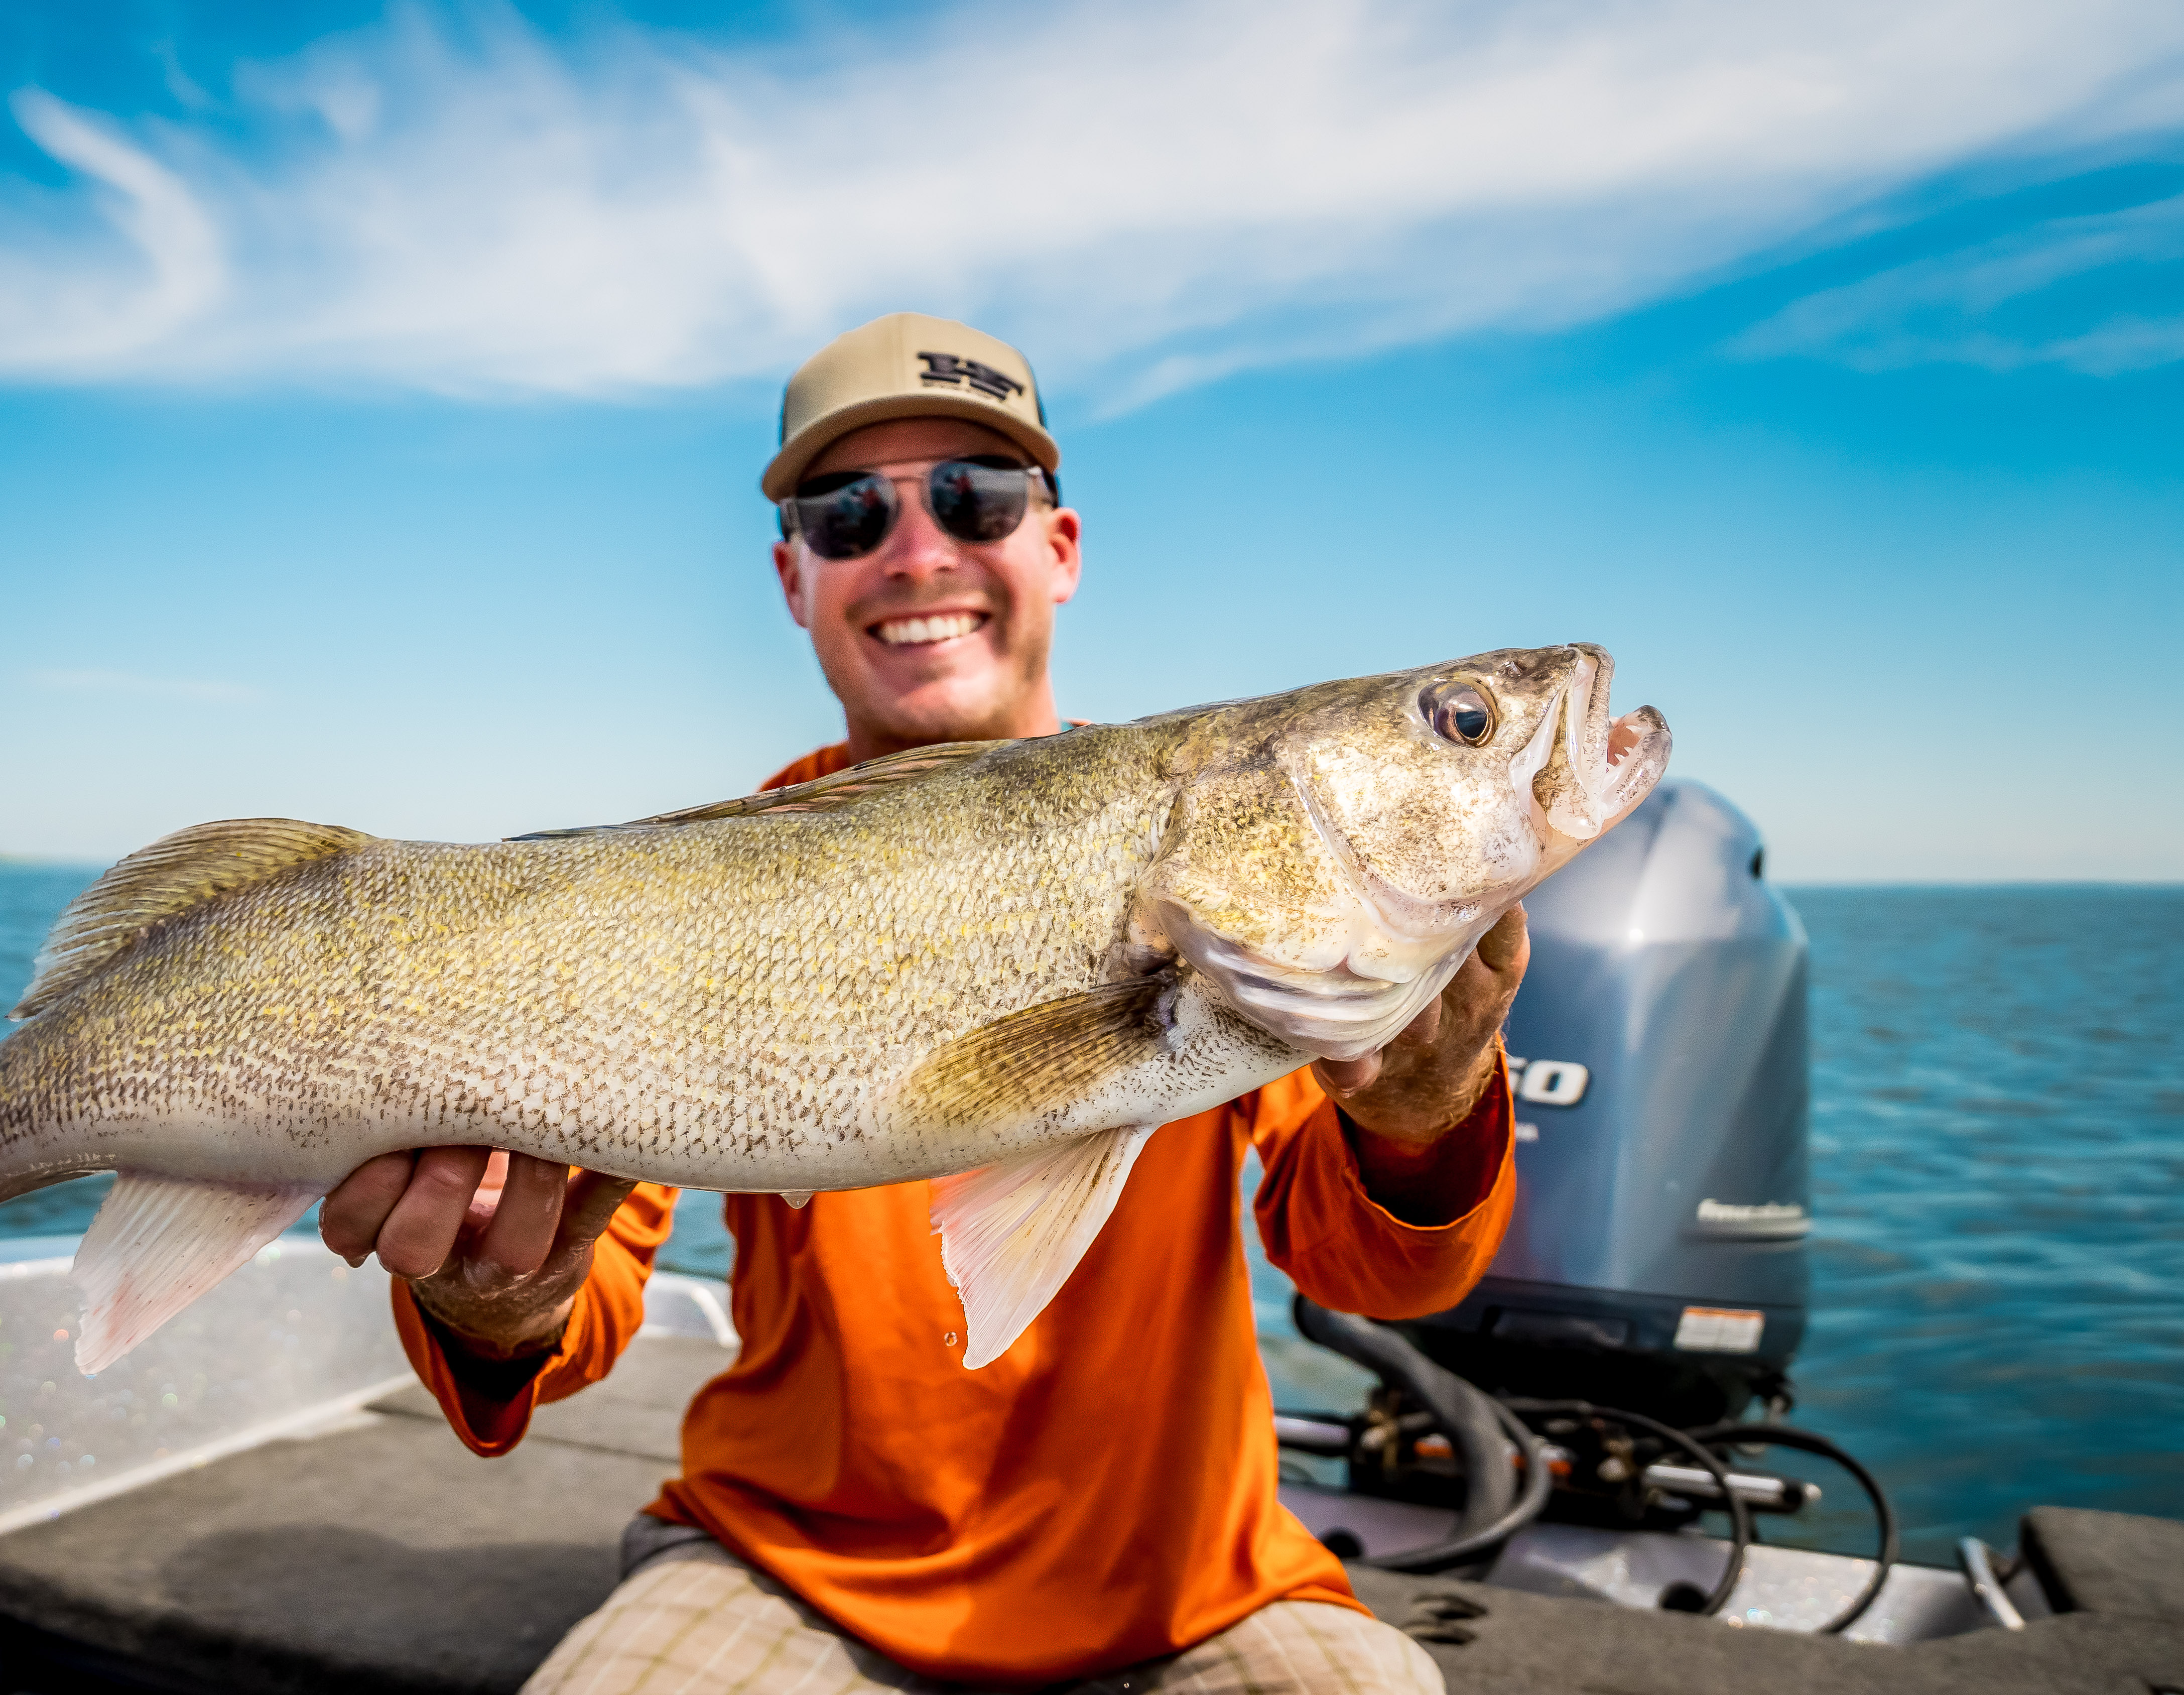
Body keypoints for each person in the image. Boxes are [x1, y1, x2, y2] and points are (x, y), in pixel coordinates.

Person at [317, 313, 1527, 1693]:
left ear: (1057, 549)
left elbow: (1367, 1270)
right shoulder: (685, 882)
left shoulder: (1236, 845)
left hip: (1195, 1588)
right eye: (848, 515)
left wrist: (1432, 1107)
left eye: (977, 496)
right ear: (795, 578)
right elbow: (566, 1339)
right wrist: (492, 1300)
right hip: (781, 1565)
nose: (918, 551)